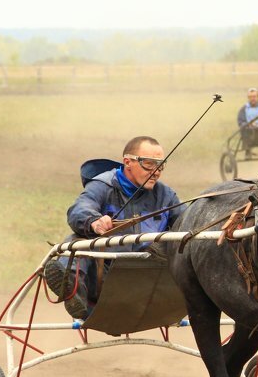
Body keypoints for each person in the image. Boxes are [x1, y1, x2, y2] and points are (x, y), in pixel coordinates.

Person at [43, 136, 182, 319]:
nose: (156, 171)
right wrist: (94, 221)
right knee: (78, 241)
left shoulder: (166, 196)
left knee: (183, 243)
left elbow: (187, 222)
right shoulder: (103, 185)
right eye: (149, 164)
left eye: (161, 165)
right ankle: (72, 289)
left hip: (150, 280)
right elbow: (79, 209)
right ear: (128, 162)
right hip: (105, 280)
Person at [236, 87, 258, 156]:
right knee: (243, 128)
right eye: (250, 97)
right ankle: (248, 150)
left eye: (254, 96)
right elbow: (240, 121)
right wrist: (248, 124)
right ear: (248, 98)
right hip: (249, 131)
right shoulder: (244, 109)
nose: (252, 98)